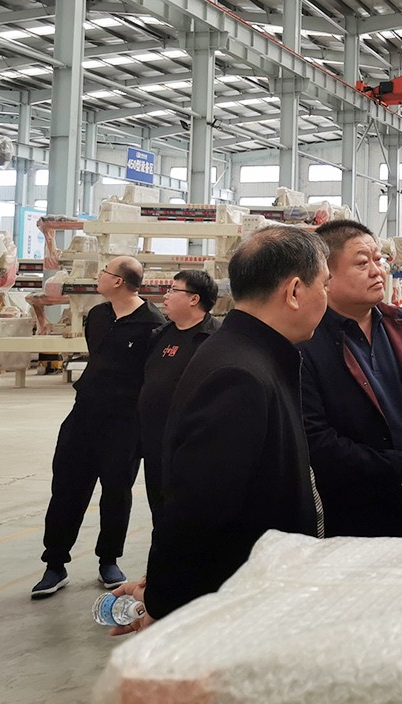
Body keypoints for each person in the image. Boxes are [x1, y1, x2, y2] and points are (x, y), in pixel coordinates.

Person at [116, 226, 332, 628]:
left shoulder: (251, 353)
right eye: (325, 284)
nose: (327, 296)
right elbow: (196, 510)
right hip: (242, 604)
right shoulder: (240, 375)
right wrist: (164, 600)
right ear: (295, 291)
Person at [299, 220, 402, 538]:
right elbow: (316, 438)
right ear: (327, 276)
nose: (378, 271)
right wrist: (398, 473)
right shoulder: (307, 343)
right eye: (363, 263)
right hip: (358, 515)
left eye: (379, 260)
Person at [32, 255, 164, 599]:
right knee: (66, 488)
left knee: (116, 492)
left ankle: (109, 559)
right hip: (84, 415)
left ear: (118, 281)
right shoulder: (98, 315)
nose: (99, 276)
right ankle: (55, 564)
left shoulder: (153, 324)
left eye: (104, 271)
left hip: (124, 422)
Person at [137, 269, 220, 515]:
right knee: (159, 507)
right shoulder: (160, 335)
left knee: (188, 511)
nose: (166, 296)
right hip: (155, 442)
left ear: (194, 299)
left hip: (192, 445)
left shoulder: (214, 339)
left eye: (173, 290)